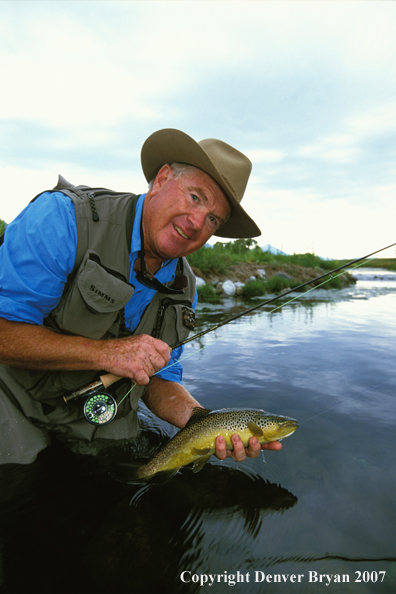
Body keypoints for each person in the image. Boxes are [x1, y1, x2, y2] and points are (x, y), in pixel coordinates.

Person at [0, 128, 282, 465]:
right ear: (161, 179)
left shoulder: (185, 289)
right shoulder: (63, 219)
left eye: (212, 219)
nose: (196, 223)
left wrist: (204, 423)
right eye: (195, 197)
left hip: (97, 421)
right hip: (12, 396)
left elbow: (160, 378)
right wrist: (107, 354)